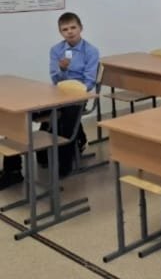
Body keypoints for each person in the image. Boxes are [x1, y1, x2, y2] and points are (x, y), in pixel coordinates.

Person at [1, 12, 99, 189]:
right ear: (60, 32)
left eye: (73, 28)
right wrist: (62, 70)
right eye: (65, 29)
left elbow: (90, 81)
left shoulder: (90, 51)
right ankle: (13, 171)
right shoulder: (56, 50)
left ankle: (64, 164)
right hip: (57, 94)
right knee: (21, 117)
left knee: (67, 124)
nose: (70, 32)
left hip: (78, 97)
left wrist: (75, 90)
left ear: (81, 28)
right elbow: (55, 78)